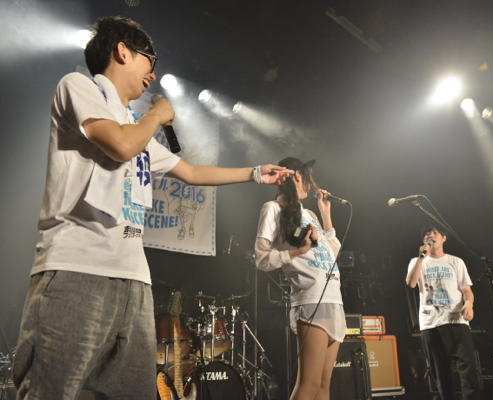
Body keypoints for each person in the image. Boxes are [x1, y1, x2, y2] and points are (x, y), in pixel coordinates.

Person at [12, 16, 292, 400]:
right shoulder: (78, 87)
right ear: (122, 51)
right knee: (50, 391)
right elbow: (120, 144)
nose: (154, 74)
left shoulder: (134, 125)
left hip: (134, 281)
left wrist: (255, 173)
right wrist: (157, 115)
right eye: (150, 60)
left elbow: (191, 172)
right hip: (77, 270)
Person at [254, 157, 345, 400]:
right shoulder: (273, 209)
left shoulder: (310, 214)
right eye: (308, 176)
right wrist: (297, 252)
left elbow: (330, 253)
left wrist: (325, 215)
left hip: (333, 300)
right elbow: (261, 259)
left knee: (324, 384)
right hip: (310, 300)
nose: (311, 183)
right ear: (297, 175)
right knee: (309, 384)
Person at [406, 222, 481, 400]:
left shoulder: (456, 262)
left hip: (456, 321)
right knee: (440, 373)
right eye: (427, 234)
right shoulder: (417, 262)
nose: (430, 236)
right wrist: (421, 258)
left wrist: (468, 304)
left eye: (434, 233)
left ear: (444, 238)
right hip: (431, 323)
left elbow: (467, 290)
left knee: (468, 369)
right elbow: (411, 283)